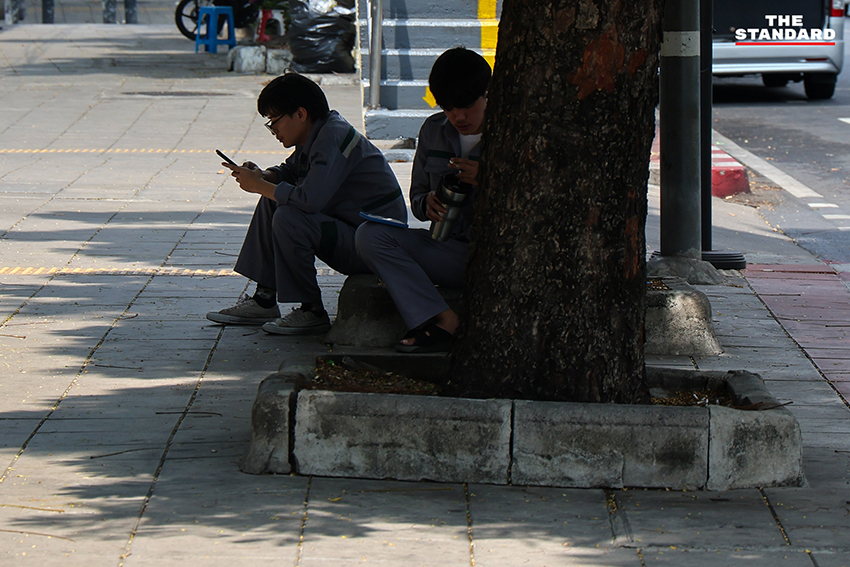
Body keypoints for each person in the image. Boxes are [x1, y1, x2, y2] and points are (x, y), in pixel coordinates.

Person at [207, 73, 407, 335]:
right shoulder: (319, 132)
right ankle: (264, 299)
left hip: (373, 245)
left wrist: (260, 186)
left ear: (300, 114)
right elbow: (290, 172)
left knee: (288, 216)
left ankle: (311, 310)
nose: (274, 131)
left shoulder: (331, 137)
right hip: (353, 232)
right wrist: (263, 176)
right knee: (272, 201)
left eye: (274, 122)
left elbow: (309, 200)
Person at [355, 48, 489, 353]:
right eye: (448, 108)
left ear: (487, 93)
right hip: (449, 249)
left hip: (497, 255)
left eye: (467, 106)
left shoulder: (515, 131)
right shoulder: (433, 130)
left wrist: (489, 179)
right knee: (369, 235)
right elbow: (416, 198)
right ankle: (441, 318)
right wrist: (426, 202)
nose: (459, 117)